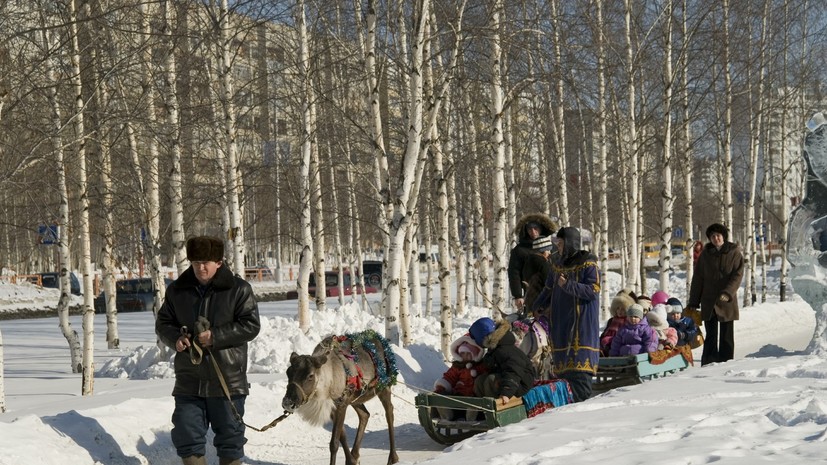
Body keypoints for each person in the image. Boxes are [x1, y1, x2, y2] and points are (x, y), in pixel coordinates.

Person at [156, 236, 262, 465]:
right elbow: (163, 323)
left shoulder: (239, 289)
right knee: (186, 435)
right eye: (195, 263)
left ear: (219, 262)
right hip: (189, 379)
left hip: (227, 379)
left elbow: (251, 326)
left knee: (231, 440)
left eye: (206, 263)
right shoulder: (177, 290)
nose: (200, 268)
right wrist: (176, 339)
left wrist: (216, 336)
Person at [532, 226, 600, 402]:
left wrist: (568, 285)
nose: (558, 248)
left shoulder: (588, 263)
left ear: (570, 243)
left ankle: (581, 407)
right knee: (564, 376)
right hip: (561, 322)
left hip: (581, 324)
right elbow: (548, 288)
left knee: (580, 377)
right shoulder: (557, 264)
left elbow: (593, 290)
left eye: (561, 244)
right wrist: (537, 305)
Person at [686, 223, 744, 366]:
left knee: (726, 336)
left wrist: (728, 292)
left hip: (726, 301)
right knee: (711, 334)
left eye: (718, 235)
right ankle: (708, 363)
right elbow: (698, 278)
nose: (716, 238)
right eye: (712, 236)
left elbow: (738, 275)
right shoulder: (706, 254)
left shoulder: (734, 252)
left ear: (723, 236)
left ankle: (726, 363)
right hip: (709, 301)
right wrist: (694, 301)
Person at [469, 317, 536, 405]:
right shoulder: (495, 348)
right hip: (507, 379)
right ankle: (482, 406)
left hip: (520, 383)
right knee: (480, 380)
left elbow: (513, 371)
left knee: (491, 380)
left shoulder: (505, 350)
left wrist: (506, 393)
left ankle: (494, 407)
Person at [508, 214, 559, 313]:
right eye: (529, 229)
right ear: (525, 230)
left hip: (553, 293)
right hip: (531, 293)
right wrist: (518, 295)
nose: (533, 232)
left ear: (542, 229)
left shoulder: (552, 247)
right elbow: (514, 274)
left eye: (536, 228)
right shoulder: (519, 250)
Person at [433, 334, 488, 420]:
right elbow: (449, 377)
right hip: (459, 397)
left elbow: (484, 378)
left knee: (474, 403)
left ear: (475, 354)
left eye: (468, 354)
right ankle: (447, 413)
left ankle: (472, 414)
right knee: (448, 398)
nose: (465, 356)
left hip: (473, 397)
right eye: (462, 353)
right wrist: (441, 387)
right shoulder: (457, 366)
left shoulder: (480, 366)